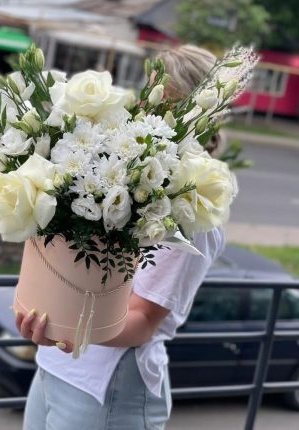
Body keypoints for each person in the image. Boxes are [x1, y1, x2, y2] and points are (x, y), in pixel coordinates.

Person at [15, 44, 226, 430]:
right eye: (148, 91)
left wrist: (64, 327)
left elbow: (143, 321)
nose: (145, 106)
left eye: (161, 97)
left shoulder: (193, 207)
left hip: (107, 388)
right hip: (56, 365)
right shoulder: (128, 172)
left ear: (193, 111)